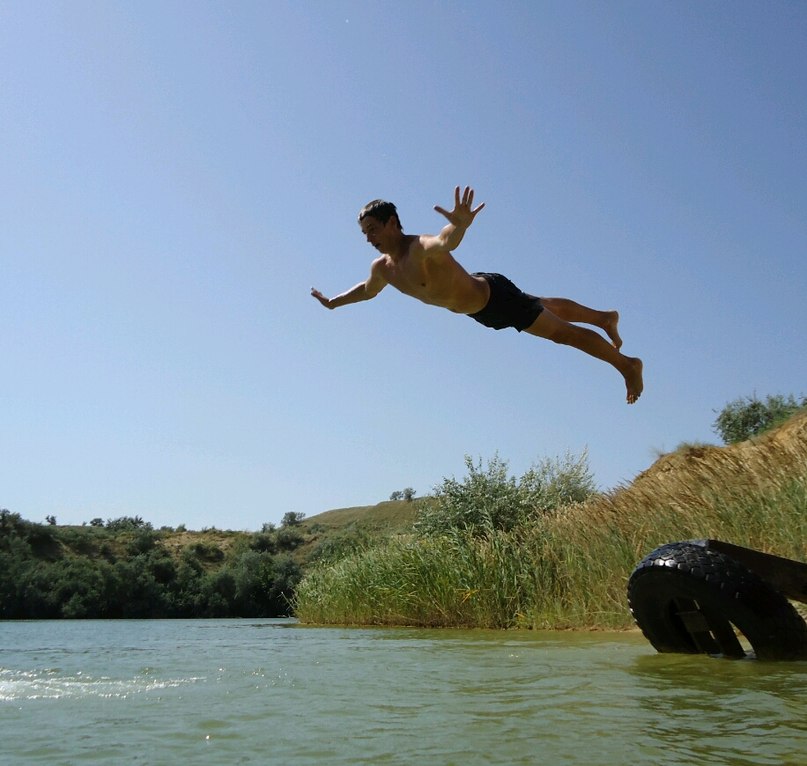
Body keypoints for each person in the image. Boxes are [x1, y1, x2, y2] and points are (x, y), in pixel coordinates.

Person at [311, 186, 643, 404]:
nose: (369, 237)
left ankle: (627, 365)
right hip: (482, 308)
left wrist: (461, 225)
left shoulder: (419, 248)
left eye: (374, 228)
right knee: (544, 307)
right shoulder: (382, 268)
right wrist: (333, 303)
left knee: (561, 334)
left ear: (393, 222)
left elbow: (445, 241)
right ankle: (604, 317)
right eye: (364, 232)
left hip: (492, 298)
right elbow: (367, 292)